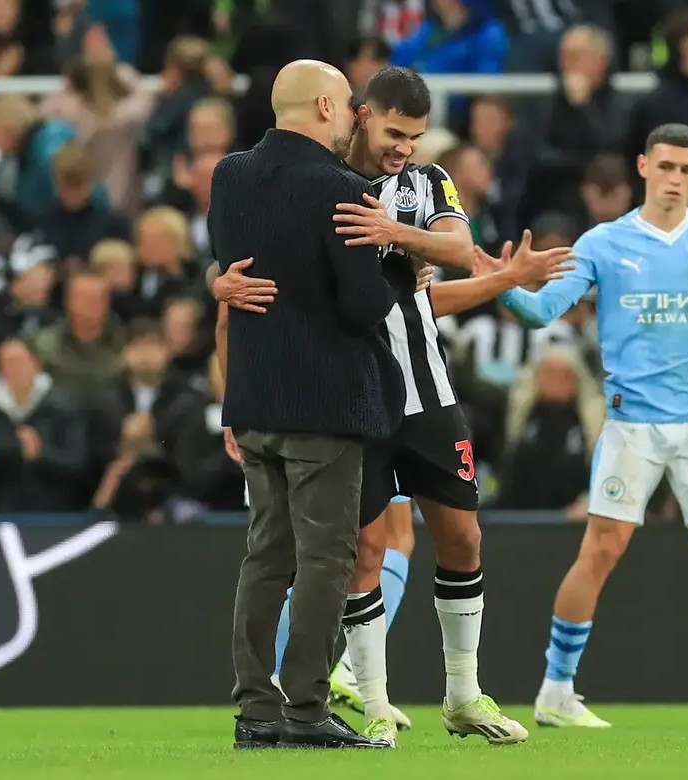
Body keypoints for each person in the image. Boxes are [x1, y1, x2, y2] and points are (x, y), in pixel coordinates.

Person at [214, 66, 567, 746]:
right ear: (357, 114)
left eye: (415, 136)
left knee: (460, 536)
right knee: (355, 551)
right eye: (394, 131)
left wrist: (399, 237)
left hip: (422, 388)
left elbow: (458, 250)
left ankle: (461, 694)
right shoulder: (333, 184)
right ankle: (367, 701)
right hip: (348, 395)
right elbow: (383, 294)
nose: (404, 147)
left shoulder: (424, 183)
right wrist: (216, 282)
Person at [471, 123, 688, 729]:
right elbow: (546, 308)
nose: (675, 179)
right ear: (643, 167)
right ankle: (555, 689)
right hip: (633, 424)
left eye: (687, 170)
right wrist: (507, 285)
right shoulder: (604, 243)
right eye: (666, 167)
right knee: (601, 548)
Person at [212, 59, 401, 751]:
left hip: (255, 396)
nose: (354, 113)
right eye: (348, 103)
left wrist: (218, 285)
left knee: (265, 555)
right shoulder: (341, 189)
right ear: (325, 106)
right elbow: (361, 308)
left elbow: (230, 272)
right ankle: (306, 710)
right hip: (323, 403)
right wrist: (392, 259)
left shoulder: (229, 176)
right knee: (326, 556)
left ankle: (255, 712)